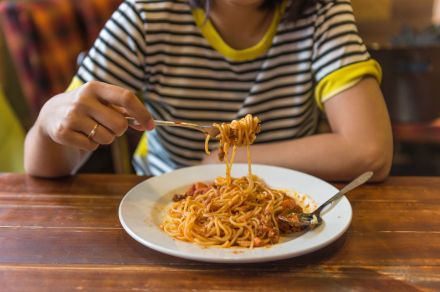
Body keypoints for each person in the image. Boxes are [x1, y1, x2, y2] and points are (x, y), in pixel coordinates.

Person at [24, 0, 393, 181]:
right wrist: (48, 122)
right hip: (162, 204)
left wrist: (222, 159)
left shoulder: (323, 12)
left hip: (287, 204)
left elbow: (370, 152)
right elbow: (47, 168)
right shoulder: (147, 16)